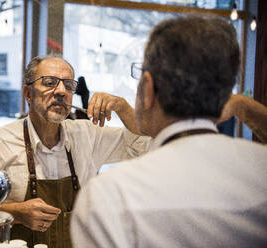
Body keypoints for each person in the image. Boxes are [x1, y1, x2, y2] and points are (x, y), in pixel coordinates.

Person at [71, 15, 267, 248]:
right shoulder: (260, 169)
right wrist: (243, 106)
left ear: (147, 87)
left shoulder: (109, 197)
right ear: (225, 94)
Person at [0, 55, 151, 247]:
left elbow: (145, 144)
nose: (62, 91)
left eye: (69, 85)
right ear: (28, 94)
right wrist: (16, 213)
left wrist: (122, 107)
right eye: (49, 83)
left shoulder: (88, 135)